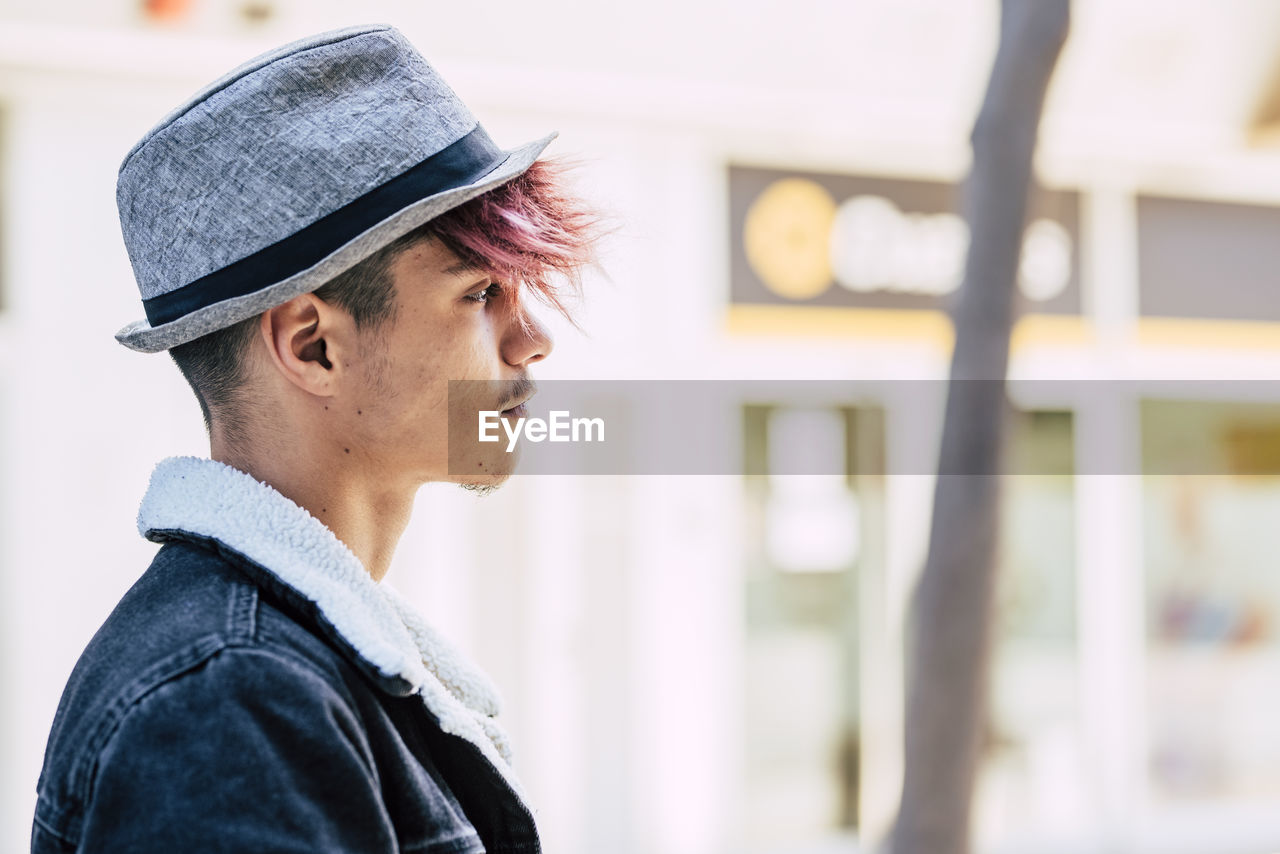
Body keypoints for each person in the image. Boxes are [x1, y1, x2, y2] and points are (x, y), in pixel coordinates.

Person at [32, 24, 602, 853]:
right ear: (313, 346)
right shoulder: (228, 705)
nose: (533, 337)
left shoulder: (275, 672)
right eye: (482, 292)